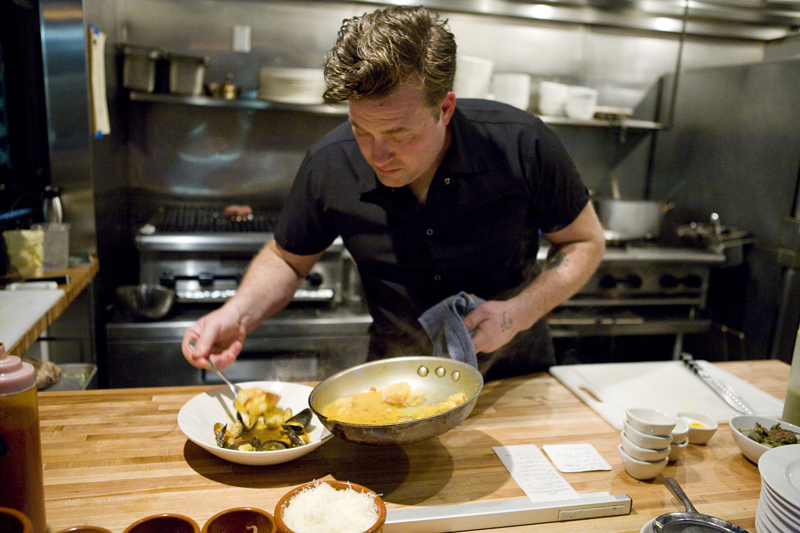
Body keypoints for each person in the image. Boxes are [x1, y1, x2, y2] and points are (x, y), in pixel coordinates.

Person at [182, 5, 605, 380]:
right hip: (396, 380)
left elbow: (585, 241)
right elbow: (287, 260)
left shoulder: (521, 144)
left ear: (444, 109)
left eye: (399, 133)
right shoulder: (331, 161)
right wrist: (236, 314)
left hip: (512, 376)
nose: (377, 154)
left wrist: (515, 315)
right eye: (361, 129)